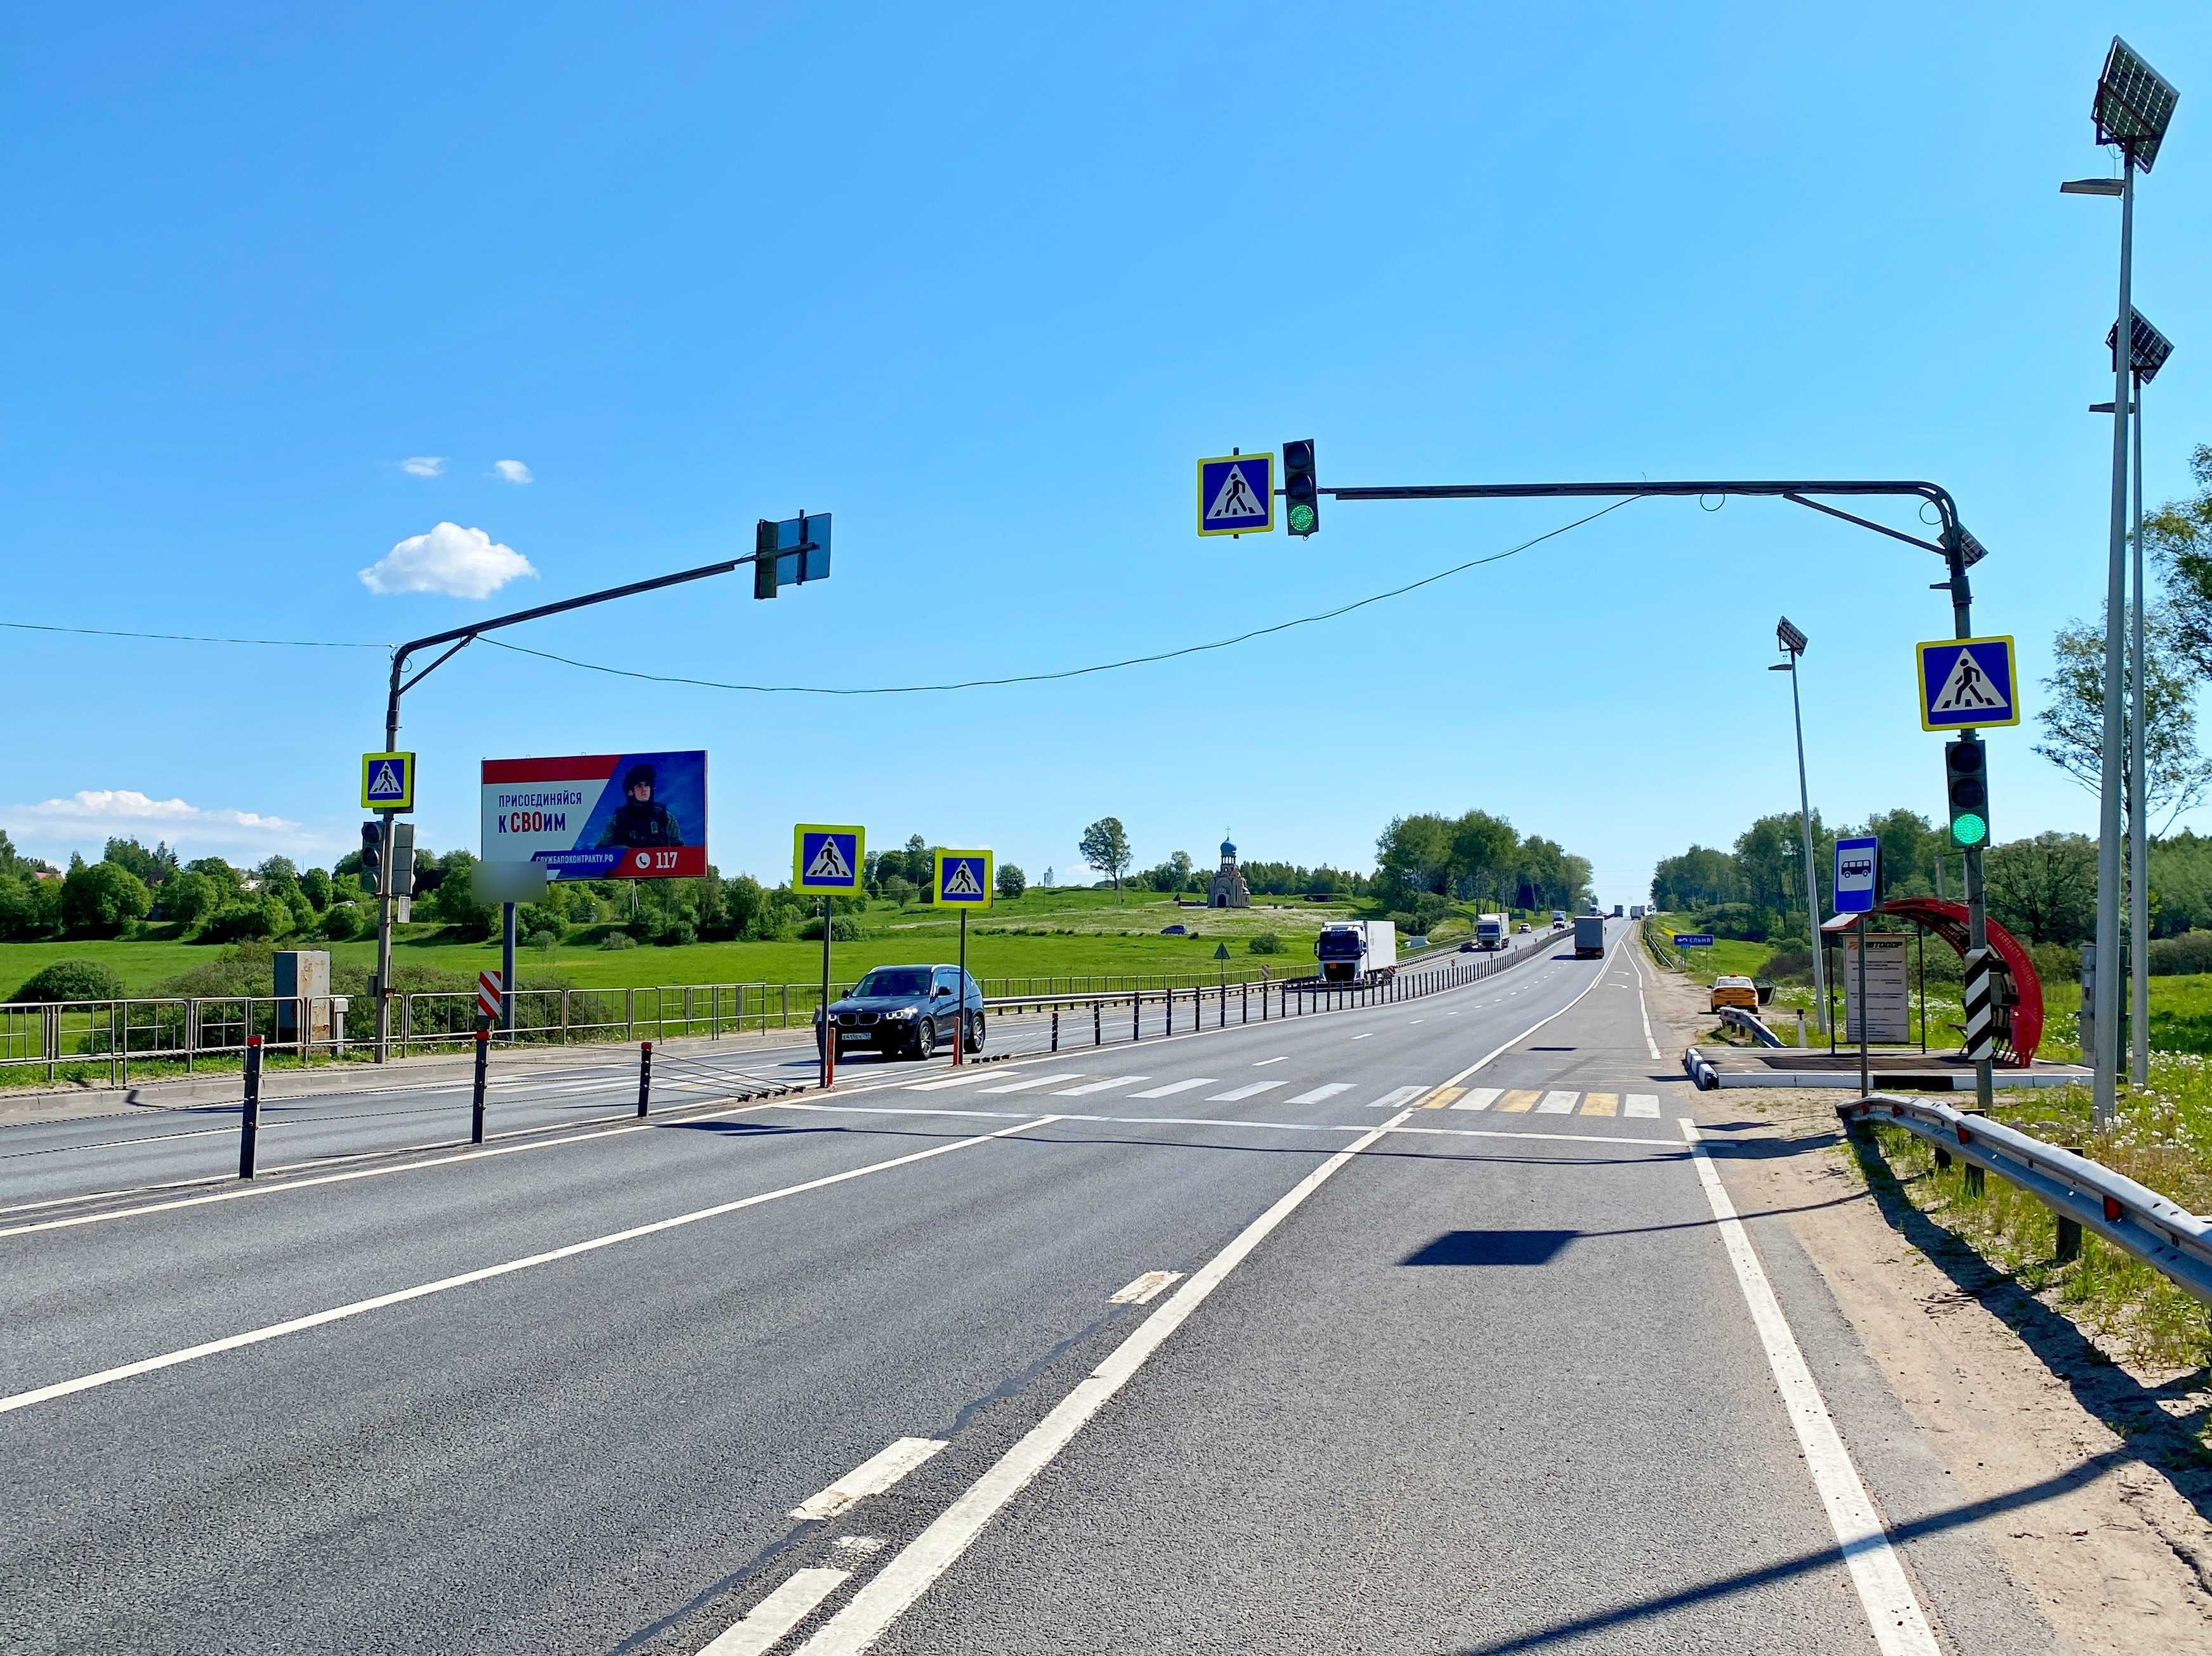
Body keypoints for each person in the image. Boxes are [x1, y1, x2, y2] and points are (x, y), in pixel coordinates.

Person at [598, 762, 684, 849]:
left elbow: (682, 853)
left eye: (647, 785)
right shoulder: (619, 820)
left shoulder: (665, 817)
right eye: (639, 786)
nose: (644, 789)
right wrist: (622, 852)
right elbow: (601, 853)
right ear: (630, 792)